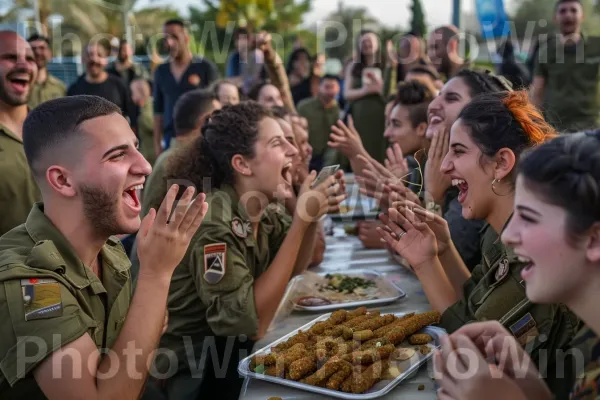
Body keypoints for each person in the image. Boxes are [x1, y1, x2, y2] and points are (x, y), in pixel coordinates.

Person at [0, 95, 209, 399]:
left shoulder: (108, 249)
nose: (146, 166)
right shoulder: (30, 282)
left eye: (137, 148)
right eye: (117, 156)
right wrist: (156, 275)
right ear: (63, 180)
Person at [379, 91, 580, 397]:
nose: (444, 166)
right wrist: (442, 251)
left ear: (501, 162)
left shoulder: (534, 251)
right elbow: (473, 300)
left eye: (457, 151)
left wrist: (426, 263)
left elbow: (469, 344)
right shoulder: (501, 232)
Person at [155, 102, 345, 399]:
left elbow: (294, 270)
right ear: (242, 164)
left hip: (232, 352)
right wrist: (300, 223)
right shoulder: (213, 222)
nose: (293, 151)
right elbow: (249, 325)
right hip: (195, 371)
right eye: (277, 142)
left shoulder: (262, 210)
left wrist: (310, 220)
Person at [434, 130, 600, 400]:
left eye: (530, 218)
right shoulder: (591, 336)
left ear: (593, 239)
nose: (509, 235)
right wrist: (529, 383)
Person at [130, 89, 220, 280]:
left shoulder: (181, 158)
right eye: (217, 118)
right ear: (206, 121)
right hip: (156, 277)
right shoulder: (174, 161)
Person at [530, 0, 600, 132]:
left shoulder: (596, 47)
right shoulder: (546, 51)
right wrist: (535, 124)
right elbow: (537, 91)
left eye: (573, 10)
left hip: (593, 128)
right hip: (556, 130)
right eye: (562, 11)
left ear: (582, 16)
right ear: (555, 18)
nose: (568, 15)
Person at [153, 18, 219, 156]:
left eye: (175, 37)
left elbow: (217, 106)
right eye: (166, 38)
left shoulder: (205, 67)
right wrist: (157, 145)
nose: (170, 43)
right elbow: (158, 110)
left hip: (201, 140)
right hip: (170, 141)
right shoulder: (161, 71)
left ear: (187, 38)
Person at [0, 31, 40, 237]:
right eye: (10, 57)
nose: (24, 65)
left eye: (30, 59)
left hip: (62, 265)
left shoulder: (54, 128)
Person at [67, 43, 135, 129]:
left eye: (99, 55)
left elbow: (133, 118)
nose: (94, 59)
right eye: (89, 55)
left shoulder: (120, 85)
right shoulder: (73, 90)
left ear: (105, 59)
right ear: (83, 59)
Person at [344, 30, 387, 164]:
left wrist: (380, 89)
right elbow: (346, 94)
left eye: (370, 40)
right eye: (363, 41)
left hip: (382, 117)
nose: (366, 44)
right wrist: (366, 90)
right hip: (360, 118)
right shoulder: (353, 66)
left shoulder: (388, 65)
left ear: (377, 43)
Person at [297, 74, 342, 171]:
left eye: (333, 87)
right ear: (319, 87)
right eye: (327, 87)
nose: (330, 91)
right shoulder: (304, 107)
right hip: (307, 155)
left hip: (328, 158)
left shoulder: (338, 110)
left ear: (338, 88)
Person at [27, 34, 66, 109]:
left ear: (50, 54)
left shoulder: (60, 88)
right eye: (33, 48)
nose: (37, 52)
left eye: (42, 48)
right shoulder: (20, 86)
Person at [130, 79, 155, 166]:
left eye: (133, 92)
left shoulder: (147, 109)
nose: (131, 96)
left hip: (151, 156)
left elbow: (152, 126)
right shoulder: (146, 107)